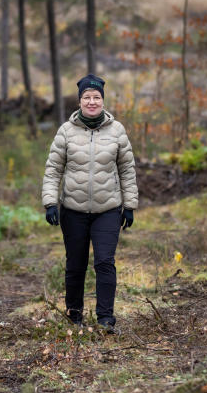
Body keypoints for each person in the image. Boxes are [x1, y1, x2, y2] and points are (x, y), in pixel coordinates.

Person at [41, 74, 138, 332]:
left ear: (103, 101)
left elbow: (127, 169)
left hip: (108, 209)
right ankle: (74, 315)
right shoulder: (66, 131)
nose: (92, 102)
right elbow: (53, 170)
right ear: (80, 101)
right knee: (76, 263)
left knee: (105, 262)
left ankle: (106, 318)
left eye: (96, 97)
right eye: (87, 97)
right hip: (73, 210)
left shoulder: (117, 131)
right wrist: (50, 202)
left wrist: (129, 205)